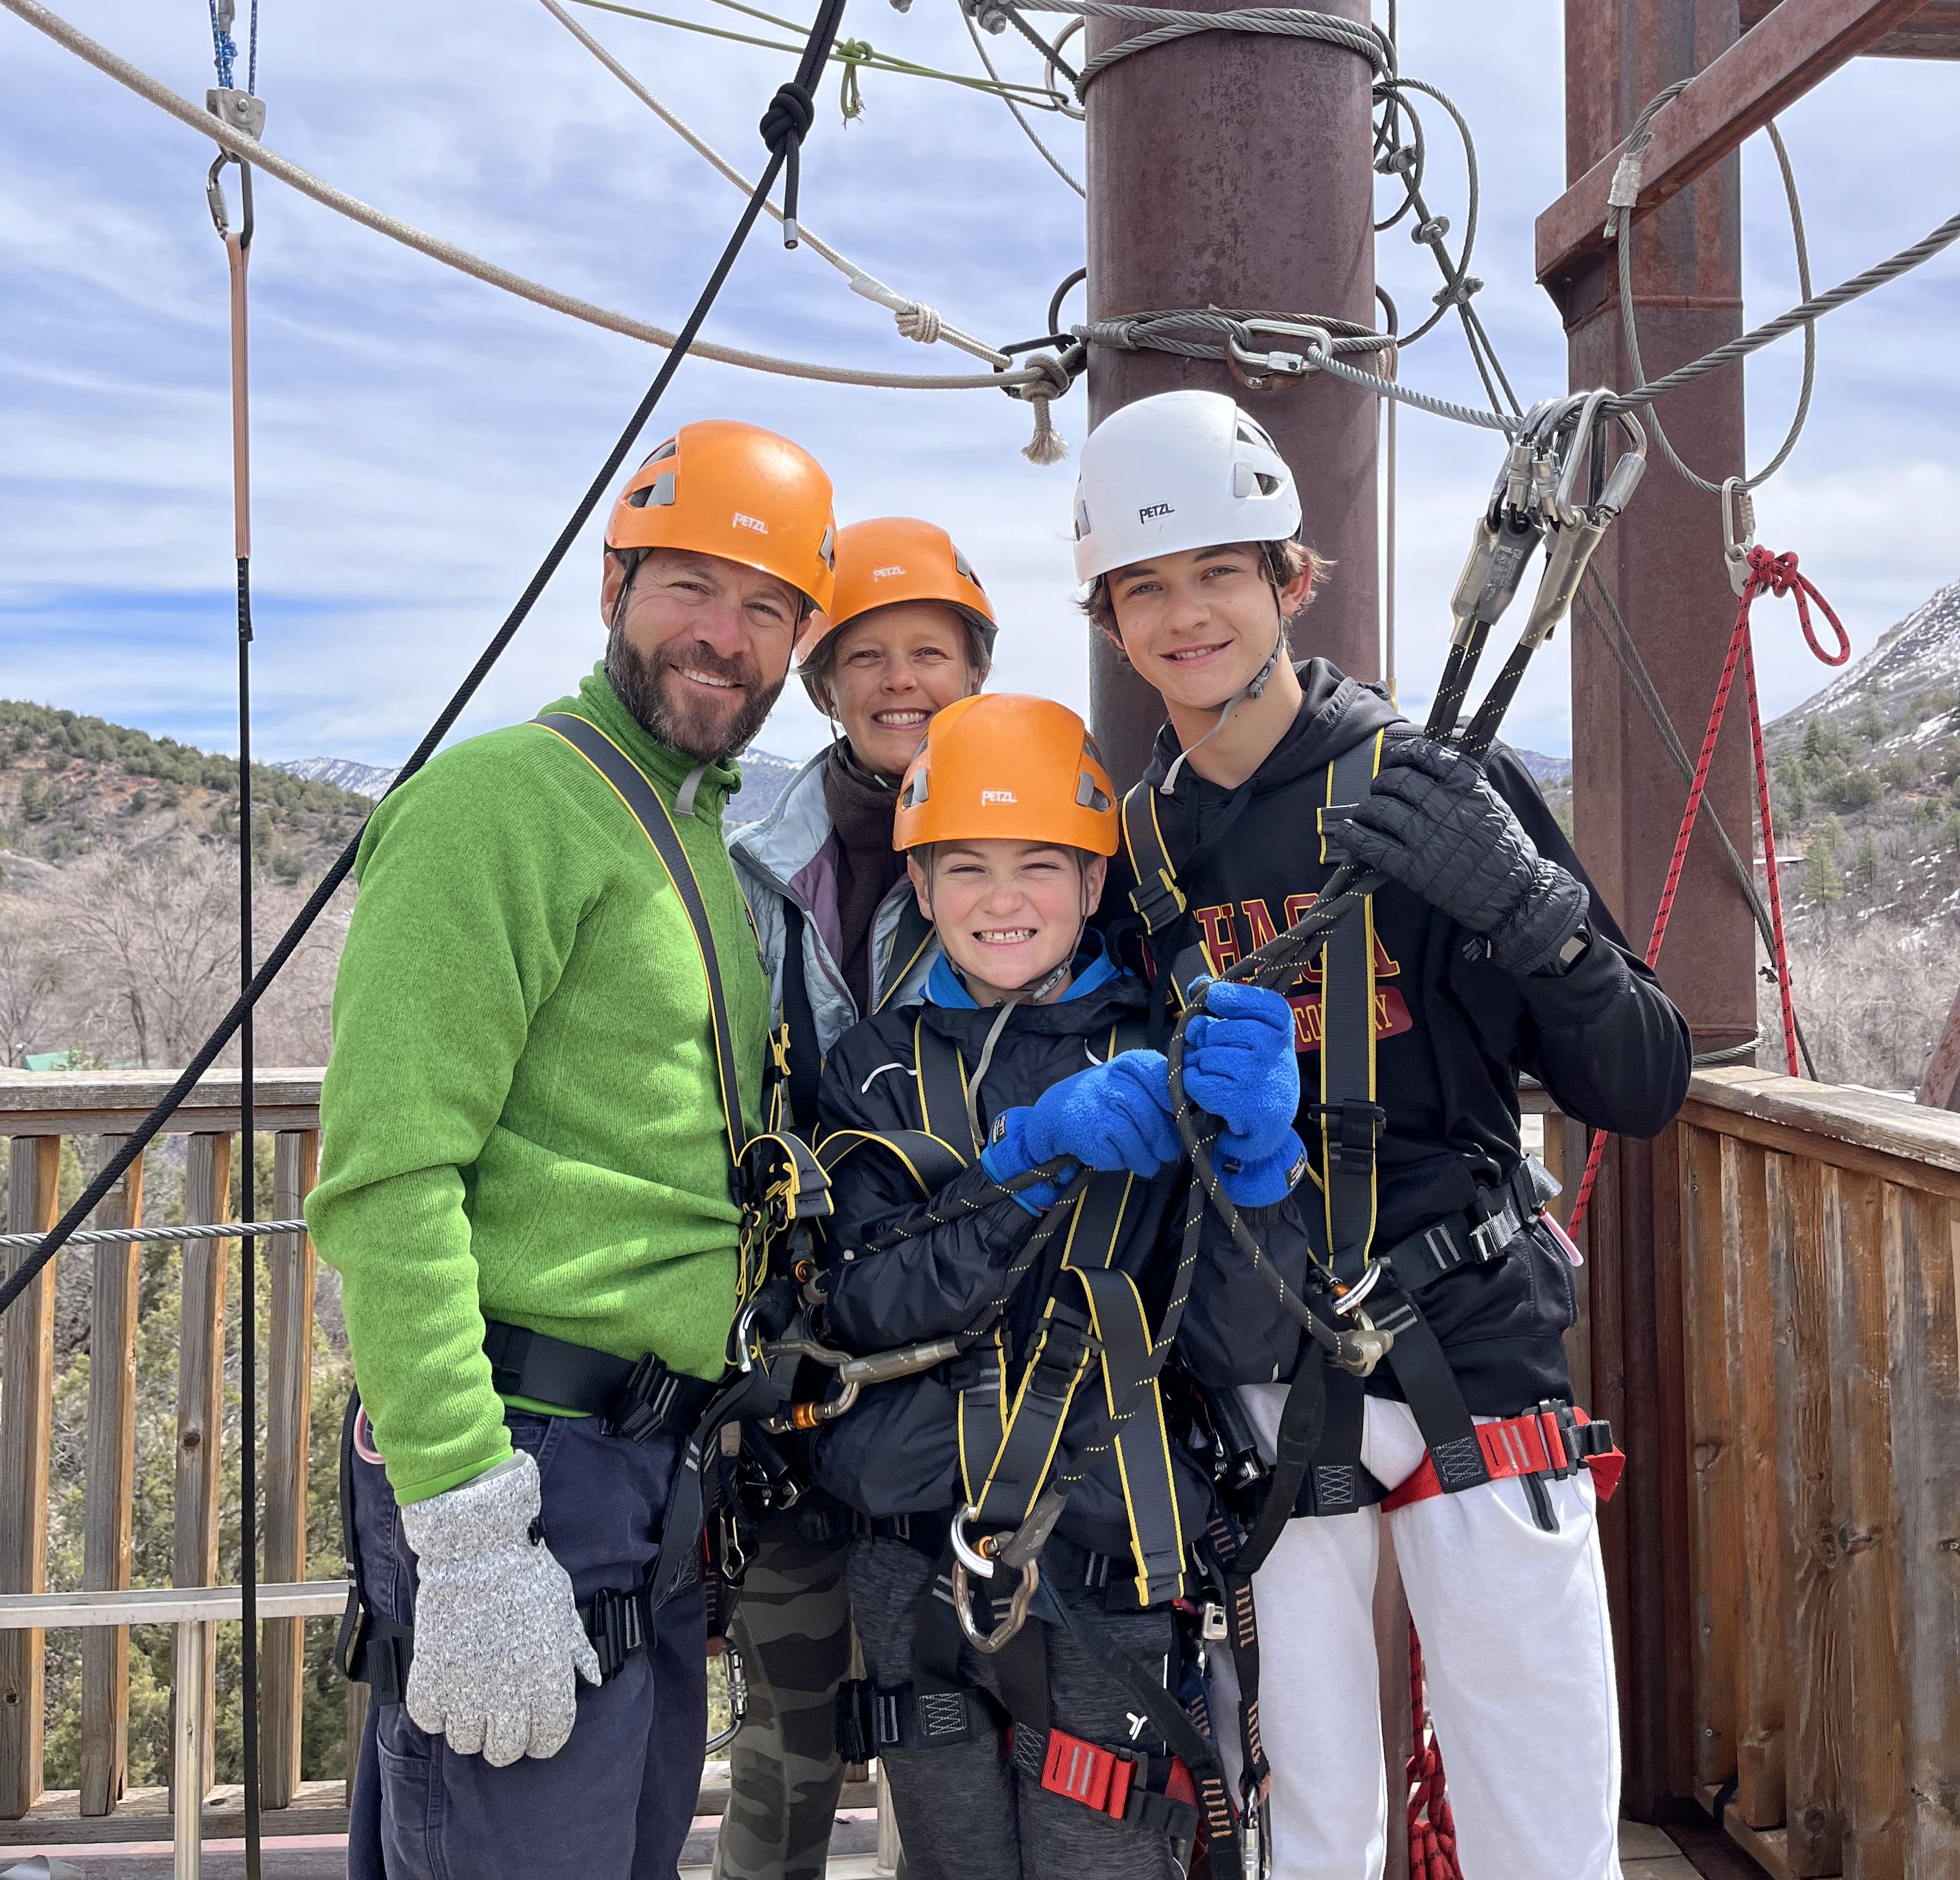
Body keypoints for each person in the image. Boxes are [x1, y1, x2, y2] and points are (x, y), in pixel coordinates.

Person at [1073, 388, 1692, 1880]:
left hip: (1470, 1348)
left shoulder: (1432, 792)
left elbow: (1645, 1078)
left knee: (1540, 1824)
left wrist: (1534, 917)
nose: (1186, 616)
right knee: (1310, 1834)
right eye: (1145, 586)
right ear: (1110, 614)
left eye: (1220, 570)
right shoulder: (1142, 854)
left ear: (1290, 579)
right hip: (1267, 1368)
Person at [309, 419, 838, 1880]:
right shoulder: (499, 809)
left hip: (647, 1473)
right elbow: (386, 1180)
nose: (724, 637)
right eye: (690, 586)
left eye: (768, 607)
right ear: (613, 585)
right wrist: (468, 1528)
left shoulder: (693, 844)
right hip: (521, 1461)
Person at [806, 693, 1318, 1880]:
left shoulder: (1168, 1053)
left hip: (1106, 1549)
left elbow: (1240, 1339)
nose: (1002, 900)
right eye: (966, 868)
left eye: (1041, 865)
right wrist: (1019, 1173)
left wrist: (1253, 1172)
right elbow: (862, 1304)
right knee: (954, 1855)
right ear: (920, 889)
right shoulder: (872, 1074)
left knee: (1105, 1854)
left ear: (1096, 887)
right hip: (914, 1552)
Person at [716, 516, 996, 1880]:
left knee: (961, 1733)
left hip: (975, 1361)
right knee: (786, 1741)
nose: (900, 682)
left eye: (929, 653)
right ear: (823, 683)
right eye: (866, 656)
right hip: (797, 1359)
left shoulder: (1040, 843)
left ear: (974, 670)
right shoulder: (749, 856)